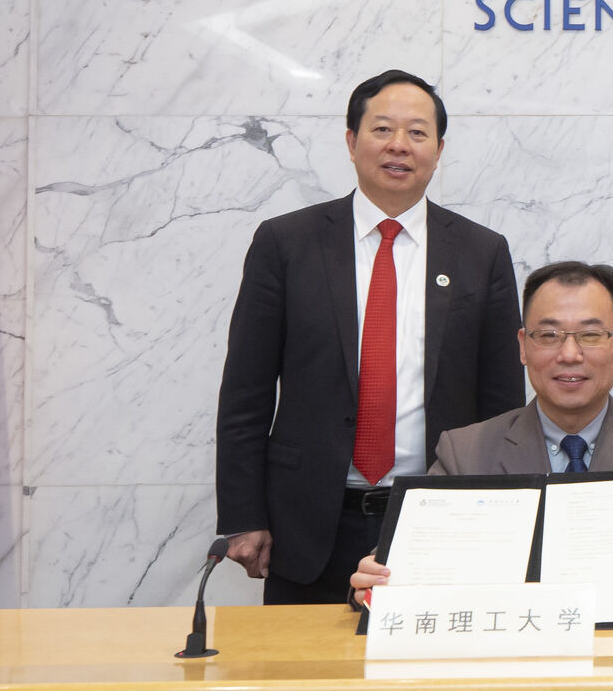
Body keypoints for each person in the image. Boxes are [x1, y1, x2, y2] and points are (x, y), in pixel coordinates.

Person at [215, 69, 525, 604]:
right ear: (351, 141)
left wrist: (502, 514)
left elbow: (502, 403)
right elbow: (246, 392)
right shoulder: (286, 244)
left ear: (439, 149)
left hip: (437, 520)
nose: (399, 146)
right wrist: (244, 516)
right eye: (382, 129)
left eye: (418, 133)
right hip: (309, 521)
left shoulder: (482, 252)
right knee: (306, 680)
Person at [353, 261, 613, 614]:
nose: (570, 354)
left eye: (590, 335)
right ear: (523, 346)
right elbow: (412, 551)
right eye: (549, 335)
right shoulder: (466, 451)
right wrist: (376, 576)